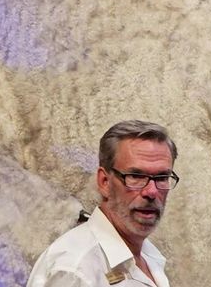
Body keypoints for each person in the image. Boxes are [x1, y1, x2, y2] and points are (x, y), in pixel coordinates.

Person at [27, 120, 179, 286]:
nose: (151, 191)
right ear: (104, 182)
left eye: (162, 178)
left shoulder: (148, 255)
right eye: (135, 176)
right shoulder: (76, 270)